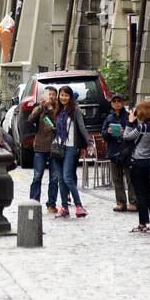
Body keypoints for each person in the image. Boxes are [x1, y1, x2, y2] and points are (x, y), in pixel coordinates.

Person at [124, 100, 150, 232]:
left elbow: (127, 137)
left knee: (140, 193)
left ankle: (142, 223)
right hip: (148, 162)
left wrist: (130, 122)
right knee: (148, 192)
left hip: (138, 162)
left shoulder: (142, 128)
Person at [50, 85, 90, 219]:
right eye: (62, 95)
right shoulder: (58, 110)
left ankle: (79, 206)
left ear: (70, 97)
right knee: (61, 179)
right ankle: (64, 208)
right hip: (57, 146)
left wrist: (88, 142)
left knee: (67, 177)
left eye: (66, 95)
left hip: (71, 147)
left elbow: (82, 128)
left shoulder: (75, 110)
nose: (63, 98)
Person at [101, 93, 137, 212]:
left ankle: (133, 202)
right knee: (117, 179)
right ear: (111, 103)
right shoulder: (109, 118)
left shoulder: (129, 116)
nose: (117, 103)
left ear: (123, 103)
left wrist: (125, 132)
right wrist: (108, 132)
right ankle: (121, 202)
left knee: (131, 178)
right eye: (114, 101)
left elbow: (136, 132)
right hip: (113, 151)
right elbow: (103, 134)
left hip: (127, 151)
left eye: (119, 101)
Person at [27, 88, 60, 211]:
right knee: (37, 176)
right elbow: (30, 119)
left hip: (55, 148)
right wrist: (41, 107)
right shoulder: (40, 108)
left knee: (54, 178)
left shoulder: (58, 109)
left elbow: (58, 124)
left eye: (53, 95)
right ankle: (34, 202)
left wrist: (51, 109)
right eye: (48, 94)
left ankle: (51, 204)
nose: (50, 97)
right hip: (40, 147)